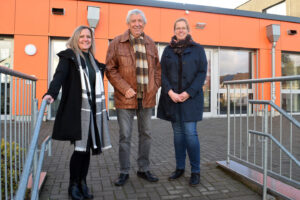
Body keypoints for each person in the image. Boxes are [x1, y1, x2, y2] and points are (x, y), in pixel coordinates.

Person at [43, 25, 111, 200]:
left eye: (88, 37)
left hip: (93, 112)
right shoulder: (69, 57)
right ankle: (73, 185)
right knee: (80, 150)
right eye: (82, 36)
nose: (85, 39)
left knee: (87, 149)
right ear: (76, 38)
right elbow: (59, 76)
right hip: (78, 111)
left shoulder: (93, 60)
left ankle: (83, 182)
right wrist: (51, 93)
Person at [106, 9, 161, 186]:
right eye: (133, 21)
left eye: (140, 21)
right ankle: (124, 172)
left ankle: (143, 169)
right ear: (128, 23)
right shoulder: (117, 42)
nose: (137, 23)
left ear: (144, 23)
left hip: (147, 98)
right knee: (125, 136)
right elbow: (110, 69)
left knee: (146, 134)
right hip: (125, 99)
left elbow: (158, 70)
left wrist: (155, 86)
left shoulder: (151, 43)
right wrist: (124, 88)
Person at [157, 18, 207, 186]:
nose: (180, 30)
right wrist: (170, 92)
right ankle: (179, 168)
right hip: (172, 99)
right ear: (174, 30)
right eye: (177, 28)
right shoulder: (168, 50)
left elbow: (202, 73)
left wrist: (188, 92)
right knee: (178, 136)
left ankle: (195, 171)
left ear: (188, 29)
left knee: (190, 134)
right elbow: (161, 73)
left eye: (183, 28)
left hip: (190, 100)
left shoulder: (198, 49)